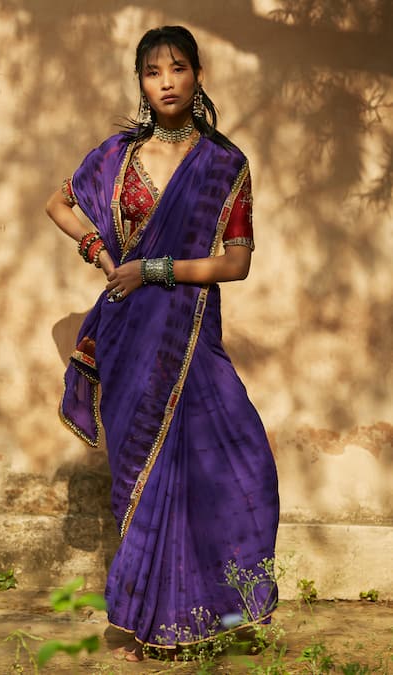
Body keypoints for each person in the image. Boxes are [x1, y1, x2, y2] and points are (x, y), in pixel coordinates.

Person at [46, 25, 279, 662]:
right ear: (141, 83)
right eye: (153, 72)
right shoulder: (116, 156)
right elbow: (59, 204)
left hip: (190, 332)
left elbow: (236, 263)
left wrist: (152, 269)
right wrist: (103, 257)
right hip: (127, 335)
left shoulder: (225, 164)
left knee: (233, 463)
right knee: (144, 481)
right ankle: (150, 622)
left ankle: (216, 611)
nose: (167, 82)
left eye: (178, 68)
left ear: (198, 74)